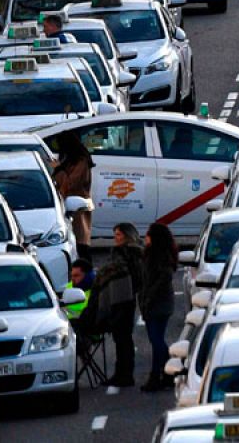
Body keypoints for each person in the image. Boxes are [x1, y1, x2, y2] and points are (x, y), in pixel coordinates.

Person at [96, 222, 144, 386]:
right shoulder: (137, 253)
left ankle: (123, 374)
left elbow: (116, 273)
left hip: (121, 299)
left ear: (127, 236)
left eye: (118, 234)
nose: (115, 238)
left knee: (122, 338)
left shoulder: (125, 253)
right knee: (123, 338)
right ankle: (123, 373)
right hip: (128, 298)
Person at [138, 223, 177, 392]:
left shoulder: (158, 256)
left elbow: (162, 279)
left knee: (156, 340)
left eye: (148, 235)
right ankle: (163, 374)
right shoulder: (154, 254)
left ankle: (166, 371)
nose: (145, 238)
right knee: (157, 340)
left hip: (158, 303)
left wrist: (148, 298)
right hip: (158, 303)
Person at [52, 136, 94, 258]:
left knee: (82, 245)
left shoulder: (81, 161)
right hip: (66, 205)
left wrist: (59, 169)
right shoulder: (70, 160)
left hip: (77, 206)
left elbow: (71, 182)